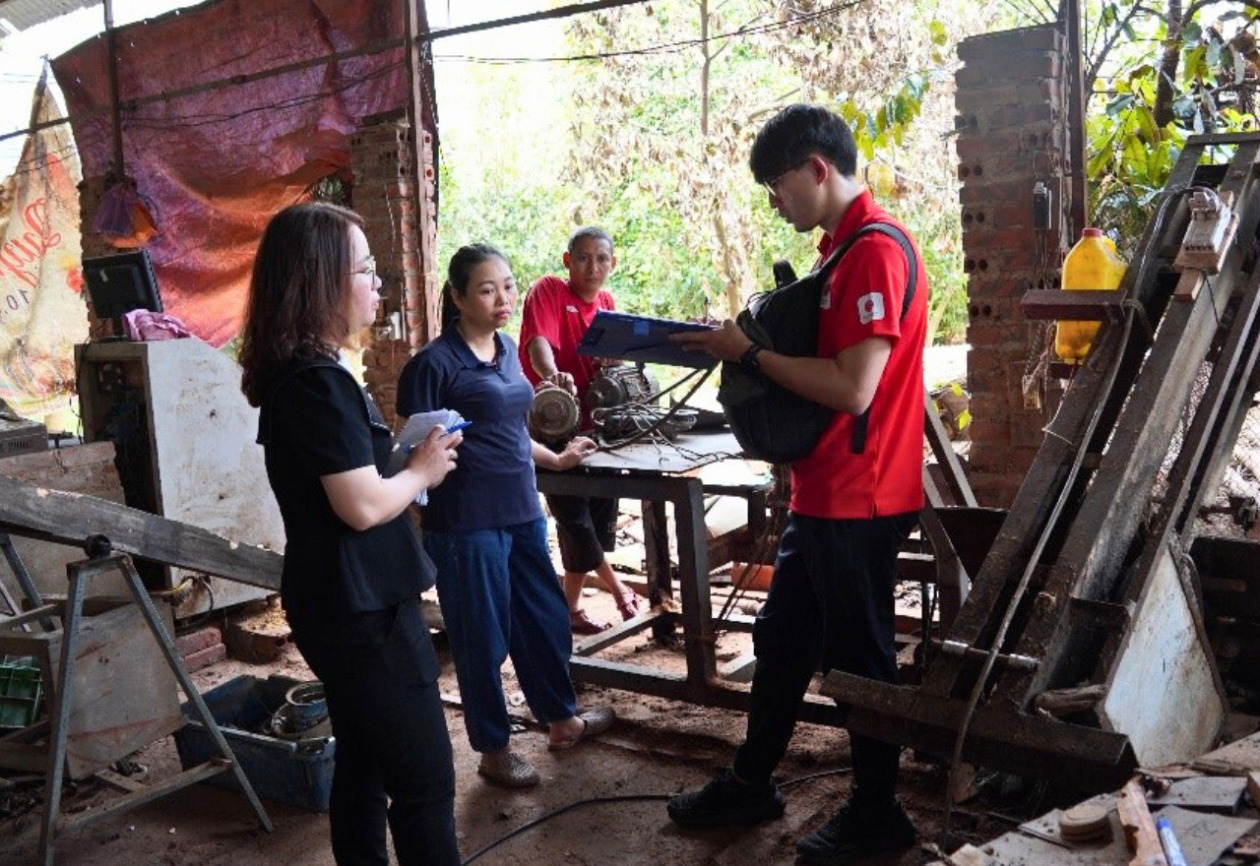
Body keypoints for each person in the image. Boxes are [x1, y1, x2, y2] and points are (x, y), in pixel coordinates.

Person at [665, 104, 927, 866]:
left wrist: (746, 356)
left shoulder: (876, 253)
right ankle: (752, 780)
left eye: (776, 185)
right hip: (826, 491)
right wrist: (740, 344)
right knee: (781, 643)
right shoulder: (838, 255)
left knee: (860, 661)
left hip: (863, 495)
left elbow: (852, 388)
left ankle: (879, 814)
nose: (774, 202)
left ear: (817, 168)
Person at [240, 202, 462, 866]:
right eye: (365, 270)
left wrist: (398, 460)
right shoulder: (318, 384)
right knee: (424, 783)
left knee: (363, 766)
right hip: (362, 613)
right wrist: (420, 468)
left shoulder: (300, 377)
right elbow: (361, 507)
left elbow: (345, 481)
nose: (376, 285)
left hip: (338, 603)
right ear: (319, 281)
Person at [397, 243, 615, 789]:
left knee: (543, 620)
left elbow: (512, 431)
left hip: (521, 512)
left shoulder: (507, 352)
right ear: (458, 297)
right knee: (481, 636)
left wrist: (558, 458)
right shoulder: (434, 364)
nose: (503, 298)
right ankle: (493, 749)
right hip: (467, 522)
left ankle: (561, 720)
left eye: (509, 286)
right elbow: (415, 450)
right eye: (487, 289)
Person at [518, 226, 645, 634]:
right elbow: (539, 344)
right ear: (567, 260)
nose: (593, 267)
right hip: (553, 429)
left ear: (614, 263)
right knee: (575, 521)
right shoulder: (549, 291)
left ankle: (569, 611)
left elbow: (613, 360)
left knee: (599, 519)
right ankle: (620, 589)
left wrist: (613, 365)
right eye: (584, 258)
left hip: (599, 431)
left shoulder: (607, 303)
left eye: (602, 258)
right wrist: (553, 377)